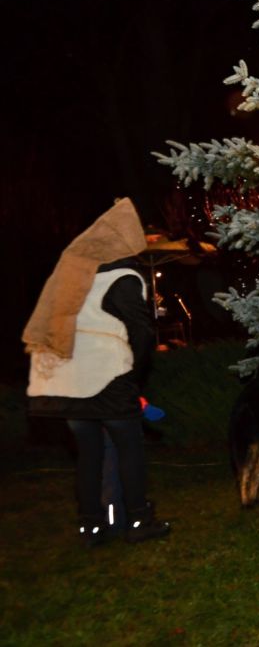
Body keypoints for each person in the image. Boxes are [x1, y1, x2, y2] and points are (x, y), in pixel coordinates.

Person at [22, 198, 170, 547]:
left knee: (89, 454)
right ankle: (138, 520)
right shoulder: (124, 277)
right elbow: (141, 332)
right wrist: (134, 371)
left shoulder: (72, 276)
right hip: (106, 376)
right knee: (129, 447)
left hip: (67, 378)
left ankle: (91, 526)